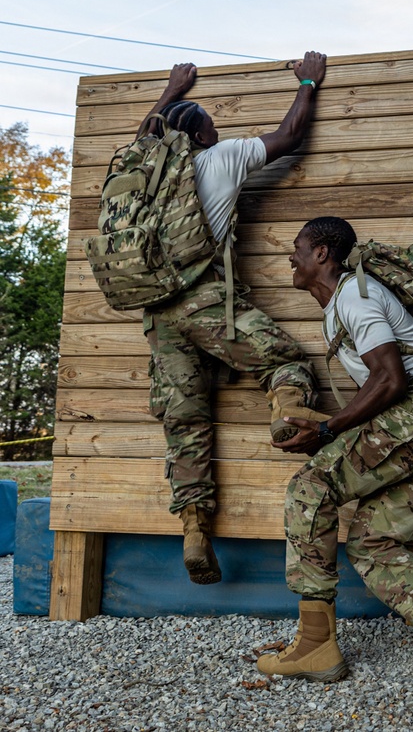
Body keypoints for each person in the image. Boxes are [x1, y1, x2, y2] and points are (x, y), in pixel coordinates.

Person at [256, 215, 413, 683]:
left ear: (321, 253)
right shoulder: (341, 304)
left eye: (297, 248)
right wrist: (323, 428)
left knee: (310, 489)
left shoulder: (354, 295)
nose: (290, 257)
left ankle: (314, 645)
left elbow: (390, 379)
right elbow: (380, 385)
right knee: (371, 541)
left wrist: (329, 430)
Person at [140, 52, 330, 585]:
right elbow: (289, 136)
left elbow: (147, 129)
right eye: (212, 125)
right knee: (285, 360)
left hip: (158, 315)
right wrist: (308, 80)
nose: (219, 129)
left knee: (185, 423)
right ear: (201, 136)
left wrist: (171, 90)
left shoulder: (143, 168)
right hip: (206, 301)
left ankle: (194, 530)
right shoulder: (221, 158)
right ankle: (285, 412)